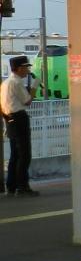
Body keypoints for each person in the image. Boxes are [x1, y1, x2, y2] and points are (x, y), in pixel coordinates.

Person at [1, 55, 37, 196]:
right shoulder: (16, 82)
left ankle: (11, 186)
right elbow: (27, 101)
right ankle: (22, 187)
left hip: (9, 119)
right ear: (19, 68)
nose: (28, 70)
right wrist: (34, 87)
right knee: (24, 154)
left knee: (15, 154)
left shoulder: (5, 83)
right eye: (26, 67)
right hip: (19, 119)